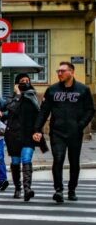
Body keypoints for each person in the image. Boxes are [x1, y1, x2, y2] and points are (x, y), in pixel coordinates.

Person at [33, 62, 95, 203]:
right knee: (58, 159)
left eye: (62, 71)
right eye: (58, 71)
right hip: (57, 132)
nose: (59, 73)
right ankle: (58, 190)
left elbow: (90, 110)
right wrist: (37, 129)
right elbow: (44, 111)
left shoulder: (83, 90)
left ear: (71, 72)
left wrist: (80, 125)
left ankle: (72, 190)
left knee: (74, 162)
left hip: (75, 132)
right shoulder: (52, 90)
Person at [5, 73, 46, 201]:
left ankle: (27, 189)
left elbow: (38, 116)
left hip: (28, 135)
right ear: (17, 83)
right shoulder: (11, 97)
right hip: (13, 135)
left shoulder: (33, 96)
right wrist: (18, 95)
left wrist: (38, 131)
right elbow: (12, 109)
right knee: (15, 162)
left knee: (26, 158)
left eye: (27, 80)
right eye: (22, 81)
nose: (25, 82)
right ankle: (18, 188)